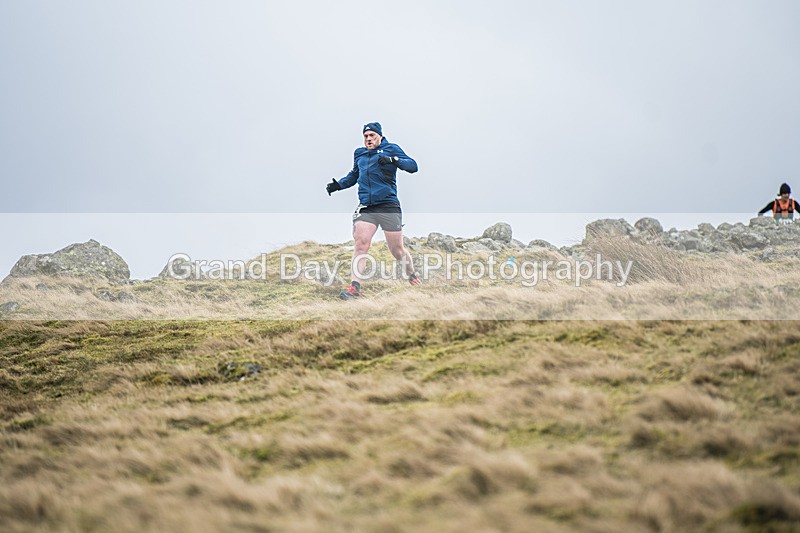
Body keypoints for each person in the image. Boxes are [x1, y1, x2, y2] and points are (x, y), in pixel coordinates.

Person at [326, 122, 420, 299]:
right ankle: (355, 288)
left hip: (388, 205)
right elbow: (354, 175)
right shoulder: (359, 154)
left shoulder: (391, 149)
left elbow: (413, 166)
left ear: (380, 136)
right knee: (361, 244)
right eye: (366, 136)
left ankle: (412, 276)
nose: (368, 139)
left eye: (372, 136)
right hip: (367, 206)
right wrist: (338, 185)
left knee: (397, 250)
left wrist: (394, 160)